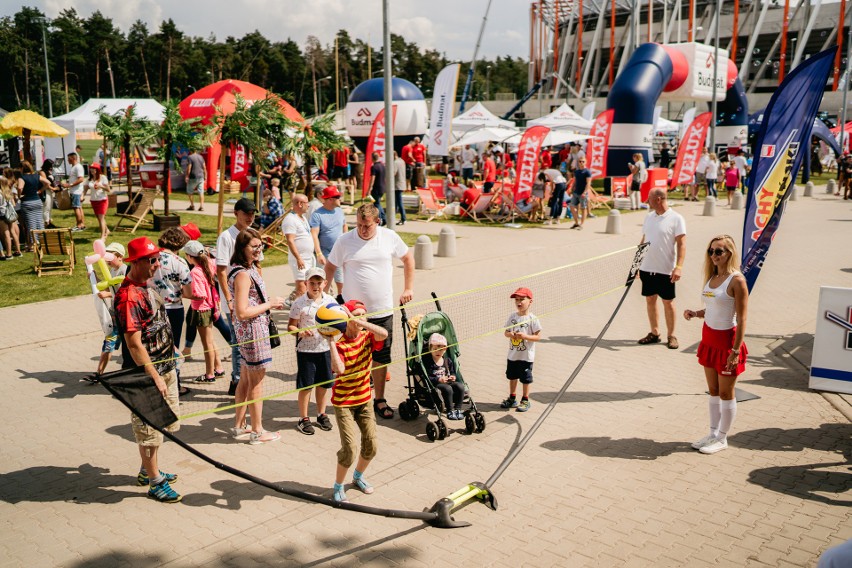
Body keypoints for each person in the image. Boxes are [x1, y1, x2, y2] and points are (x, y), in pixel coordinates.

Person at [324, 203, 415, 420]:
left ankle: (380, 399)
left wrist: (408, 288)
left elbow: (408, 259)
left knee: (381, 356)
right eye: (359, 225)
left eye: (367, 226)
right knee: (353, 355)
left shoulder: (389, 237)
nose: (362, 230)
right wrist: (325, 296)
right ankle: (355, 398)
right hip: (352, 313)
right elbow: (330, 266)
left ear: (377, 222)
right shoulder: (345, 240)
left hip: (382, 310)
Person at [113, 236, 182, 503]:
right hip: (145, 376)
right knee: (150, 430)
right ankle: (155, 482)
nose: (156, 265)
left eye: (157, 259)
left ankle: (147, 469)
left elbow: (155, 323)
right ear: (137, 262)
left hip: (164, 368)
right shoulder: (130, 296)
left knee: (162, 426)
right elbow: (133, 343)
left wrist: (172, 349)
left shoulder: (145, 286)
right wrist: (154, 376)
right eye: (151, 260)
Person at [683, 234, 749, 455]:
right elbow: (712, 307)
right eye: (711, 251)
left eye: (719, 251)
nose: (714, 255)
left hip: (727, 343)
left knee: (725, 393)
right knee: (712, 391)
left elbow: (742, 318)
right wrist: (696, 313)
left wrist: (735, 350)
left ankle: (722, 438)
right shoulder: (712, 276)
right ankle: (712, 433)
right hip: (708, 339)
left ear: (729, 253)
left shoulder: (737, 280)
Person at [326, 299, 389, 502]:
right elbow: (339, 369)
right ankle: (337, 486)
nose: (362, 317)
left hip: (364, 399)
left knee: (372, 445)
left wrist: (360, 321)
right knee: (350, 449)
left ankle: (358, 477)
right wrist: (329, 343)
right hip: (343, 402)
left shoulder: (368, 337)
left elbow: (384, 334)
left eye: (364, 314)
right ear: (347, 318)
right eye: (358, 314)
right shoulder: (339, 343)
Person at [228, 228, 286, 444]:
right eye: (254, 246)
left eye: (260, 245)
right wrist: (269, 304)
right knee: (256, 382)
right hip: (253, 332)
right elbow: (242, 311)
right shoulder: (243, 274)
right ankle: (257, 431)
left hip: (249, 332)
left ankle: (239, 425)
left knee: (244, 378)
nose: (258, 250)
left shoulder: (241, 269)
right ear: (242, 248)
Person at [216, 198, 259, 396]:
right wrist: (229, 299)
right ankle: (236, 380)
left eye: (252, 214)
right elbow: (221, 271)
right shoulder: (226, 237)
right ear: (236, 213)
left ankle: (248, 377)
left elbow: (258, 265)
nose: (250, 217)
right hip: (234, 301)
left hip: (252, 301)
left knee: (250, 340)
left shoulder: (254, 234)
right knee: (237, 342)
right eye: (246, 214)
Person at [288, 267, 336, 435]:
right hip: (306, 351)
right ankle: (303, 418)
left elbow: (338, 321)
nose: (316, 287)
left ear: (324, 283)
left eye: (319, 283)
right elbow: (291, 326)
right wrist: (299, 331)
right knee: (307, 385)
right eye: (312, 283)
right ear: (305, 284)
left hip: (325, 349)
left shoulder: (330, 301)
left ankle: (321, 414)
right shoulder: (298, 303)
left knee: (324, 384)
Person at [637, 188, 686, 350]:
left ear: (658, 199)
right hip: (647, 268)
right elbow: (643, 240)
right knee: (650, 299)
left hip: (665, 269)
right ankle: (654, 333)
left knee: (668, 302)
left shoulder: (676, 218)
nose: (647, 202)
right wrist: (637, 264)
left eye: (649, 198)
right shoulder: (649, 217)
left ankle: (671, 335)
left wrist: (678, 267)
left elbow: (682, 244)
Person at [149, 227, 193, 396]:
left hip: (153, 307)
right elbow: (188, 291)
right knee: (172, 347)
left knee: (156, 346)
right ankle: (175, 383)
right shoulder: (179, 262)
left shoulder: (152, 258)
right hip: (174, 308)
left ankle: (155, 380)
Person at [84, 242, 128, 382]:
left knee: (131, 345)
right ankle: (99, 374)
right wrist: (94, 278)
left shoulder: (124, 270)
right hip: (114, 314)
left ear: (120, 256)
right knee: (108, 343)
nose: (105, 259)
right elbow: (109, 287)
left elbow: (124, 292)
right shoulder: (113, 271)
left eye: (110, 255)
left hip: (125, 314)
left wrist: (107, 295)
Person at [183, 240, 224, 384]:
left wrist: (183, 293)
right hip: (212, 306)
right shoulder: (209, 263)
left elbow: (199, 295)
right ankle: (218, 367)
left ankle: (209, 374)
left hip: (202, 309)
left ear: (189, 257)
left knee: (206, 344)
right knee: (210, 340)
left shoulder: (195, 272)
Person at [500, 287, 542, 413]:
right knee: (512, 377)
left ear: (530, 301)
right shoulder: (512, 316)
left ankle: (525, 399)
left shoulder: (533, 319)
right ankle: (512, 398)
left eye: (522, 299)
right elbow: (506, 332)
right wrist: (510, 334)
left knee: (525, 379)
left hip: (526, 357)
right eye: (517, 300)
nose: (519, 302)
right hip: (513, 355)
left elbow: (538, 337)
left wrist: (525, 336)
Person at [311, 185, 347, 296]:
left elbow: (344, 226)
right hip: (325, 253)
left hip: (339, 251)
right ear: (330, 199)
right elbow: (314, 234)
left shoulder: (339, 211)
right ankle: (322, 301)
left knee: (341, 278)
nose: (340, 199)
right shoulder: (317, 214)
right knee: (323, 280)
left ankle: (342, 298)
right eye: (337, 197)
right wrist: (319, 253)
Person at [283, 193, 315, 306]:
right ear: (300, 204)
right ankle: (300, 312)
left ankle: (295, 306)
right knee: (302, 287)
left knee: (305, 285)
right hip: (299, 259)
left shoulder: (302, 218)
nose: (309, 206)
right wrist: (298, 258)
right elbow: (290, 240)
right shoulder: (290, 219)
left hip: (307, 258)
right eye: (307, 203)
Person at [424, 333, 465, 420]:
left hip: (447, 382)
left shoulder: (447, 361)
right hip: (436, 384)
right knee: (447, 388)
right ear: (430, 349)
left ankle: (458, 409)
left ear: (445, 350)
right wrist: (438, 379)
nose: (438, 352)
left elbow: (452, 371)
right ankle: (450, 410)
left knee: (460, 386)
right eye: (435, 349)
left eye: (441, 350)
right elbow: (427, 377)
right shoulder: (428, 362)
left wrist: (453, 376)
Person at [16, 161, 47, 248]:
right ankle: (43, 241)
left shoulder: (22, 177)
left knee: (30, 224)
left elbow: (19, 187)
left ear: (22, 168)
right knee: (39, 222)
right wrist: (40, 191)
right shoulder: (36, 176)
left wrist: (19, 195)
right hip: (37, 201)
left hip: (27, 202)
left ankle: (32, 244)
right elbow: (47, 182)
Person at [85, 163, 111, 241]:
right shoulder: (89, 179)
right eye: (91, 168)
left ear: (97, 170)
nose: (92, 170)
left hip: (102, 200)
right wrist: (82, 196)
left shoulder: (103, 178)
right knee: (99, 218)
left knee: (101, 218)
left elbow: (108, 189)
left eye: (94, 168)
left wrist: (100, 186)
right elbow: (85, 188)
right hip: (94, 200)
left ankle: (103, 236)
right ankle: (107, 230)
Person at [61, 152, 86, 231]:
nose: (68, 160)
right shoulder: (74, 167)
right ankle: (82, 224)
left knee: (76, 207)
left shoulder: (78, 167)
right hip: (75, 190)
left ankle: (79, 225)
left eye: (69, 158)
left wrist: (70, 185)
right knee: (79, 207)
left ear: (73, 158)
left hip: (76, 191)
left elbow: (81, 179)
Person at [0, 170, 22, 260]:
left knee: (6, 234)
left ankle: (9, 254)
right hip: (10, 213)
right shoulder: (8, 191)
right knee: (13, 232)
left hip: (2, 214)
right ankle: (18, 251)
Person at [569, 157, 592, 230]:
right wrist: (572, 188)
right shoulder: (577, 171)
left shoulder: (587, 172)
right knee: (572, 206)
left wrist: (585, 192)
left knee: (583, 208)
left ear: (585, 162)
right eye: (580, 161)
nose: (581, 163)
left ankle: (582, 224)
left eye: (583, 161)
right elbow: (575, 181)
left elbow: (588, 183)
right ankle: (576, 222)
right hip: (576, 192)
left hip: (583, 193)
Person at [368, 152, 387, 225]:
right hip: (382, 187)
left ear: (372, 158)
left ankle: (381, 220)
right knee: (378, 203)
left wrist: (369, 188)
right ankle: (384, 219)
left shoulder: (374, 167)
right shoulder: (382, 166)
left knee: (376, 204)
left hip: (376, 188)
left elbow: (373, 178)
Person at [40, 159, 57, 229]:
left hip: (50, 191)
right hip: (46, 191)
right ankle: (46, 222)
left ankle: (49, 221)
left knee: (50, 206)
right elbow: (46, 183)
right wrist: (52, 188)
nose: (51, 167)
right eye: (50, 166)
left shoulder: (50, 172)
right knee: (46, 206)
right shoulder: (42, 172)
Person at [392, 151, 407, 225]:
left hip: (396, 184)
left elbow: (393, 173)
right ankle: (394, 217)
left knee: (398, 202)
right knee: (397, 202)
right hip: (402, 183)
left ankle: (403, 218)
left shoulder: (395, 163)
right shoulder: (402, 161)